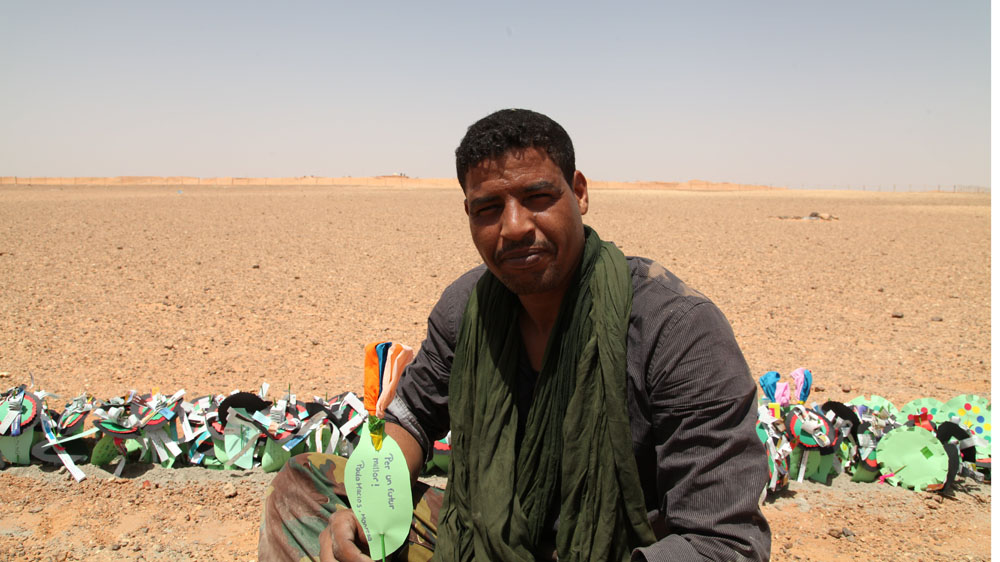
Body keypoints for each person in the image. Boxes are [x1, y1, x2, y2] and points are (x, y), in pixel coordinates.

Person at [259, 109, 771, 561]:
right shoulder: (469, 310)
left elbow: (724, 542)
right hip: (489, 541)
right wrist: (370, 510)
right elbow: (410, 421)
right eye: (488, 208)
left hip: (618, 548)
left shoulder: (676, 330)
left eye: (538, 197)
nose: (514, 227)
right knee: (305, 486)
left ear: (581, 193)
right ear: (468, 215)